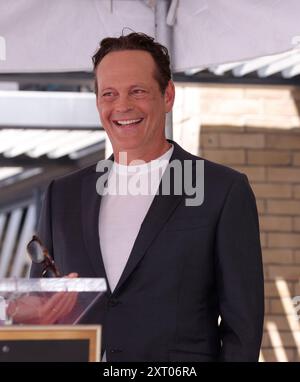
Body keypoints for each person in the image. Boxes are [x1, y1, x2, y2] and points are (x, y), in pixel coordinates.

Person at [30, 32, 264, 362]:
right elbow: (39, 312)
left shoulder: (222, 191)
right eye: (109, 94)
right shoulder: (62, 196)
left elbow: (244, 328)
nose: (122, 106)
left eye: (137, 91)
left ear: (167, 95)